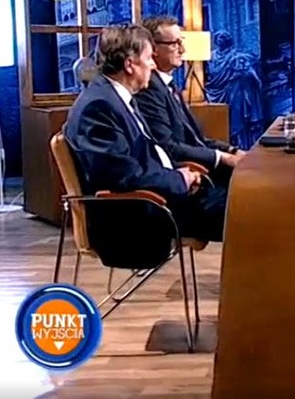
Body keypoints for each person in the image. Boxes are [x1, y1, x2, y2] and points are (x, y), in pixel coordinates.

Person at [64, 24, 228, 269]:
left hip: (163, 198)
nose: (153, 65)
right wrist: (179, 179)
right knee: (249, 210)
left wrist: (183, 173)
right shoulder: (98, 107)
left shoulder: (115, 97)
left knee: (248, 200)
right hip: (139, 216)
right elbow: (124, 177)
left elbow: (146, 158)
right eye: (149, 58)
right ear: (130, 64)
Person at [133, 15, 244, 187]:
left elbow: (197, 139)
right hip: (190, 176)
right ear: (153, 49)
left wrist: (232, 150)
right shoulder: (148, 89)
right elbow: (168, 146)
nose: (182, 50)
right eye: (175, 44)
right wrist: (222, 157)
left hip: (203, 169)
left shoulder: (168, 85)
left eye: (181, 42)